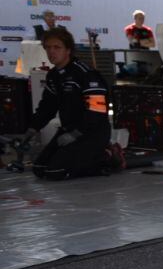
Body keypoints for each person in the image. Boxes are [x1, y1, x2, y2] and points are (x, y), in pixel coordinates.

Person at [22, 27, 117, 181]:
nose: (51, 52)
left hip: (91, 133)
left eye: (57, 47)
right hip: (67, 131)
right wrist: (32, 129)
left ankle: (106, 156)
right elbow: (47, 107)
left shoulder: (85, 74)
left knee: (55, 172)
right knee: (39, 169)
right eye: (48, 48)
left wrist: (75, 134)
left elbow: (97, 111)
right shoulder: (53, 76)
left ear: (68, 50)